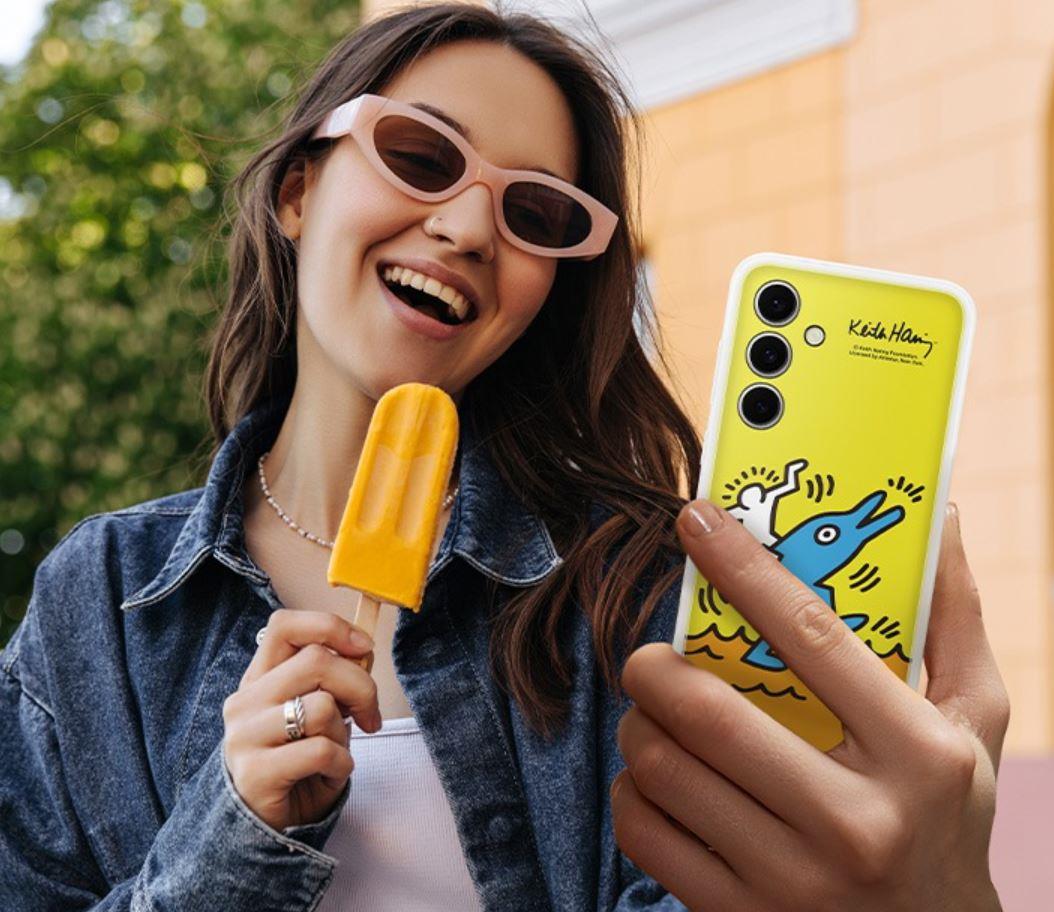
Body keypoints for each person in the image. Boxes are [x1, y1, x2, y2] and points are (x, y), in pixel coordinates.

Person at [0, 5, 1009, 912]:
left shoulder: (640, 597)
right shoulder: (101, 602)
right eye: (421, 156)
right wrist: (228, 844)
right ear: (299, 190)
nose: (469, 227)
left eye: (536, 213)